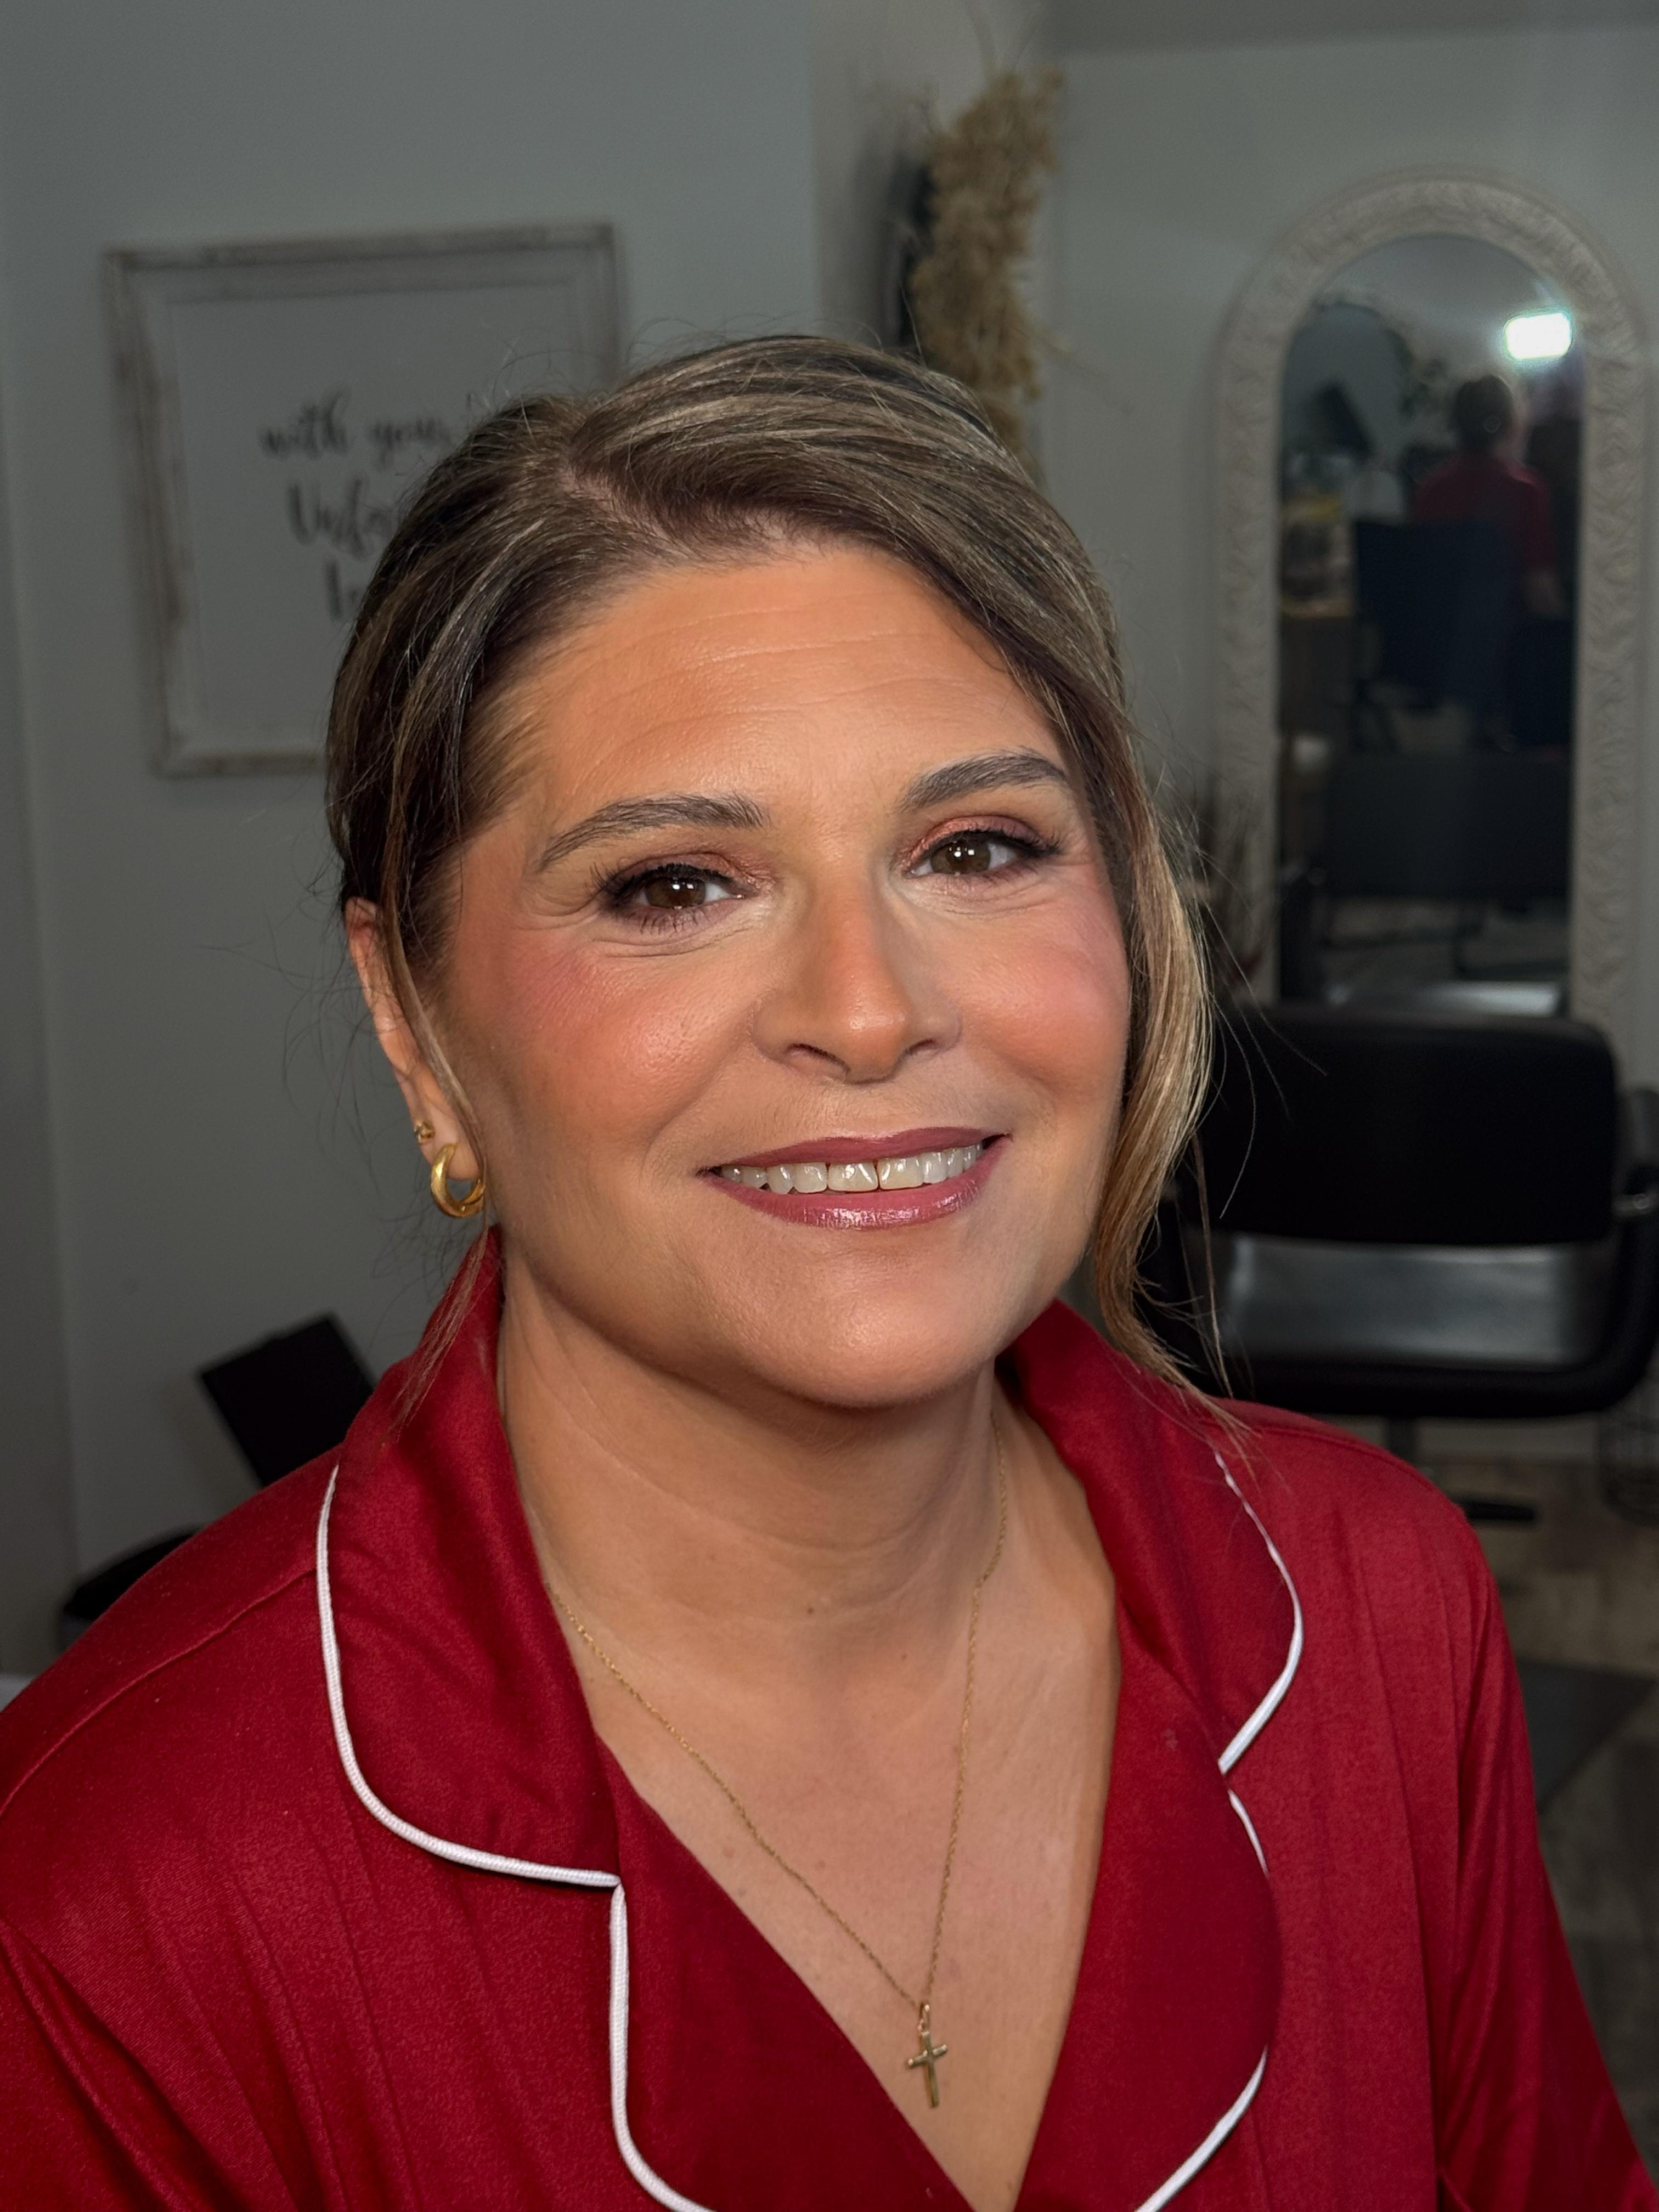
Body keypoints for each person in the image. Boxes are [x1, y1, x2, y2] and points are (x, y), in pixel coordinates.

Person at [0, 338, 1650, 2212]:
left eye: (978, 848)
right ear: (418, 1028)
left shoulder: (1378, 1604)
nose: (867, 1013)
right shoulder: (105, 1911)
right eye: (674, 885)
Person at [1412, 371, 1567, 618]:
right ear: (1512, 423)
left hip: (1435, 634)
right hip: (1509, 637)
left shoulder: (1430, 490)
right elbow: (1542, 591)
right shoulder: (1526, 491)